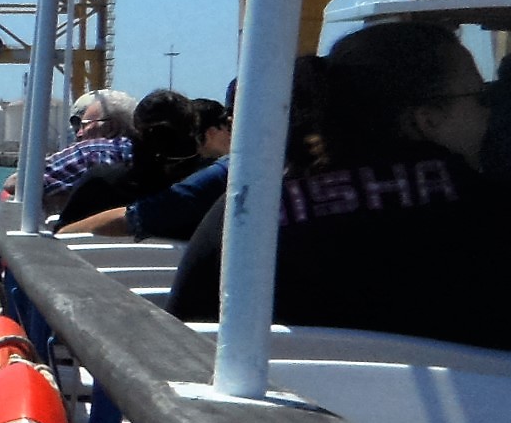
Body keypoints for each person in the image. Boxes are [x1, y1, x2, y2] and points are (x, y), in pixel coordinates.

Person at [165, 23, 508, 348]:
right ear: (428, 117)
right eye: (481, 97)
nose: (490, 111)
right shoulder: (490, 215)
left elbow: (183, 343)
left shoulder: (243, 218)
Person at [61, 87, 233, 240]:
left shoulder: (98, 183)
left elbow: (59, 240)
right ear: (195, 136)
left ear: (135, 131)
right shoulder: (213, 196)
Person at [2, 88, 135, 214]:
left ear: (111, 127)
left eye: (84, 125)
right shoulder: (140, 152)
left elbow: (17, 183)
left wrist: (65, 195)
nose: (79, 133)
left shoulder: (91, 151)